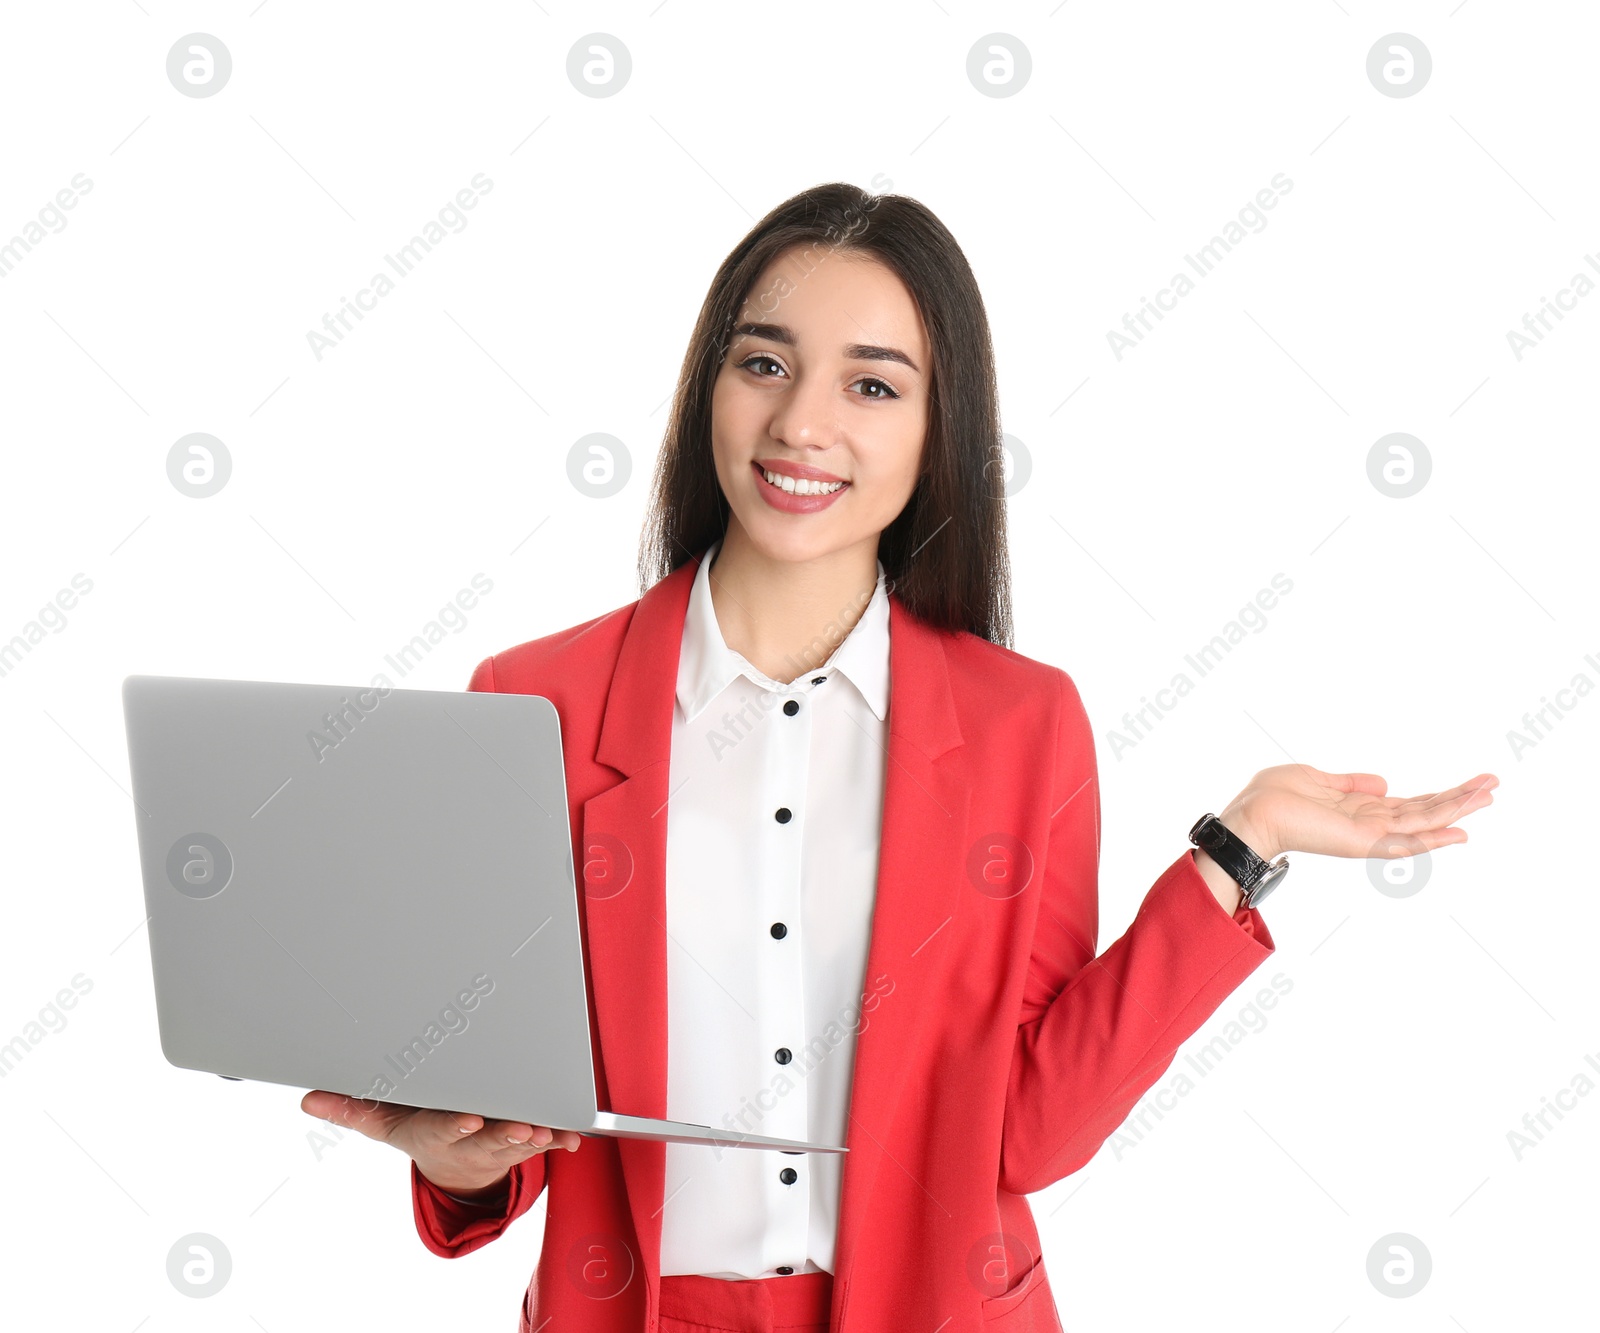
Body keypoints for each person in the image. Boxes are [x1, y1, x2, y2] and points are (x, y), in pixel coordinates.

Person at [300, 182, 1496, 1333]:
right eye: (762, 362)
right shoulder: (533, 702)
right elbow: (499, 1118)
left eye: (872, 385)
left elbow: (1025, 1132)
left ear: (938, 431)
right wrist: (462, 1159)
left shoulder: (1024, 725)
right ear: (706, 387)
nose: (801, 423)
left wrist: (1242, 847)